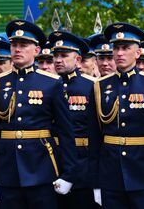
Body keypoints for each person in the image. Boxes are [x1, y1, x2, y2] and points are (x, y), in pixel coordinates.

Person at [0, 19, 81, 209]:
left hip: (42, 170)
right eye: (14, 45)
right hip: (7, 171)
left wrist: (68, 174)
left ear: (36, 51)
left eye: (23, 45)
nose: (17, 49)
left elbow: (65, 132)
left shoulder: (51, 83)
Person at [94, 23, 144, 208]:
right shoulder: (100, 86)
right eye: (116, 48)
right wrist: (96, 182)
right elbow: (95, 138)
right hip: (110, 174)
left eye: (125, 48)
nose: (120, 53)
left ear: (138, 53)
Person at [48, 31, 98, 209]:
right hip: (51, 158)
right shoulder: (46, 84)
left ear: (77, 60)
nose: (58, 60)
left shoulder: (91, 86)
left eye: (64, 55)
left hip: (82, 160)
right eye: (56, 55)